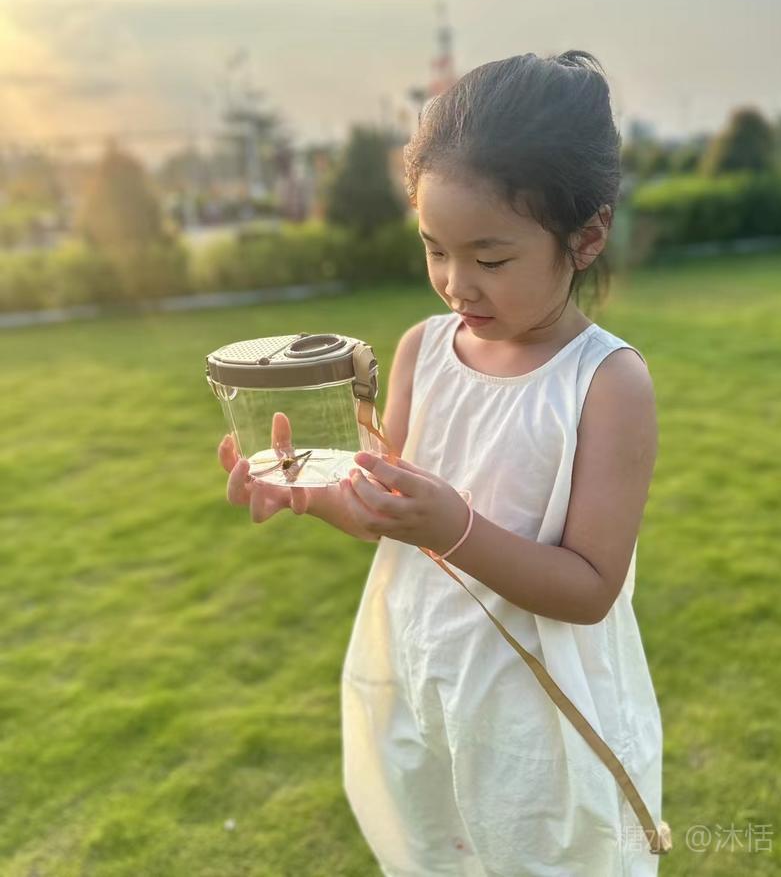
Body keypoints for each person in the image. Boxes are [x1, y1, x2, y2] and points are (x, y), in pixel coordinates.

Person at [218, 50, 665, 876]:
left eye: (490, 259)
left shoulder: (605, 383)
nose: (457, 284)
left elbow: (590, 587)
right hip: (426, 675)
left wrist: (455, 525)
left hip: (540, 715)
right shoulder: (424, 349)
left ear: (587, 235)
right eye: (435, 249)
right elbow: (390, 511)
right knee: (439, 850)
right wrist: (309, 490)